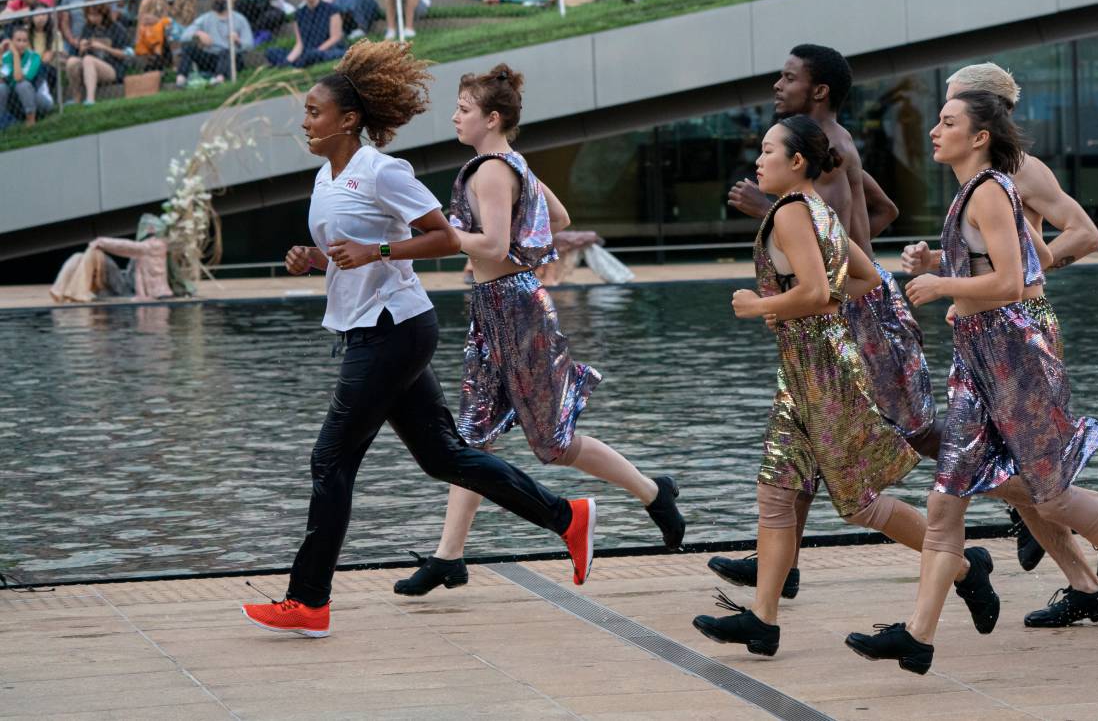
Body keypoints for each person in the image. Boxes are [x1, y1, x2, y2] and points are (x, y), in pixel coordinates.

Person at [241, 42, 598, 638]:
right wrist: (314, 260)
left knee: (330, 459)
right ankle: (566, 516)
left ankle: (308, 602)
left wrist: (375, 250)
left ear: (348, 120)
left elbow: (443, 237)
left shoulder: (382, 170)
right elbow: (346, 253)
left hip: (395, 328)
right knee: (442, 457)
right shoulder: (325, 176)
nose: (305, 123)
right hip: (372, 328)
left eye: (313, 112)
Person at [846, 90, 1098, 676]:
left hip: (1017, 358)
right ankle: (919, 638)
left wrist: (945, 288)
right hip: (976, 360)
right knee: (945, 499)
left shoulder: (993, 190)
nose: (933, 130)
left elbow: (1018, 284)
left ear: (979, 137)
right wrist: (939, 269)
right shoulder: (972, 193)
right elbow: (999, 270)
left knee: (1051, 496)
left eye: (948, 122)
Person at [391, 65, 685, 597]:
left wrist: (442, 233)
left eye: (463, 108)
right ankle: (448, 557)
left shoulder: (490, 171)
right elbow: (560, 214)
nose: (455, 116)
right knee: (473, 438)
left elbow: (495, 247)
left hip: (516, 309)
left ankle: (653, 492)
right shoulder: (508, 164)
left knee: (554, 442)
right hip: (497, 306)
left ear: (492, 117)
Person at [693, 114, 980, 659]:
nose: (758, 161)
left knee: (857, 504)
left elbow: (815, 289)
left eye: (768, 151)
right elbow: (868, 279)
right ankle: (763, 619)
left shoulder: (792, 214)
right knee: (777, 488)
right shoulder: (819, 209)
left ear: (796, 161)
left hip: (824, 375)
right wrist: (815, 308)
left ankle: (964, 566)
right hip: (807, 369)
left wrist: (763, 306)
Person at [176, 0, 250, 87]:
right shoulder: (204, 18)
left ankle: (219, 80)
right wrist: (198, 33)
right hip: (211, 58)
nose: (217, 1)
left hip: (232, 58)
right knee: (188, 48)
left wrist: (238, 40)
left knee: (225, 51)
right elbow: (184, 36)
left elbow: (249, 44)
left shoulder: (239, 19)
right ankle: (181, 80)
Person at [266, 0, 344, 69]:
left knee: (313, 54)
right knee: (271, 51)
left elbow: (335, 38)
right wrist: (288, 60)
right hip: (306, 51)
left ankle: (293, 64)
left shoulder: (332, 9)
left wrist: (317, 51)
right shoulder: (299, 14)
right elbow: (299, 44)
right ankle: (289, 64)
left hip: (327, 50)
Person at [64, 1, 129, 105]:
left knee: (88, 59)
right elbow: (80, 55)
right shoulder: (87, 28)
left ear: (103, 14)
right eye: (90, 15)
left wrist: (104, 47)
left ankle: (90, 99)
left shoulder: (116, 28)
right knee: (71, 61)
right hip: (88, 67)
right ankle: (76, 98)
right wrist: (82, 48)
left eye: (96, 15)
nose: (93, 18)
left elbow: (124, 54)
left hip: (112, 68)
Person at [0, 26, 55, 127]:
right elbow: (1, 79)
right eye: (18, 40)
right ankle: (2, 121)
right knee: (2, 87)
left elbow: (18, 78)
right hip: (18, 102)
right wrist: (0, 54)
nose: (21, 44)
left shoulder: (34, 57)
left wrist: (16, 55)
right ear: (12, 42)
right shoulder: (7, 57)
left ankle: (31, 120)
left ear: (28, 43)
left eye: (24, 41)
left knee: (22, 85)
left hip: (40, 101)